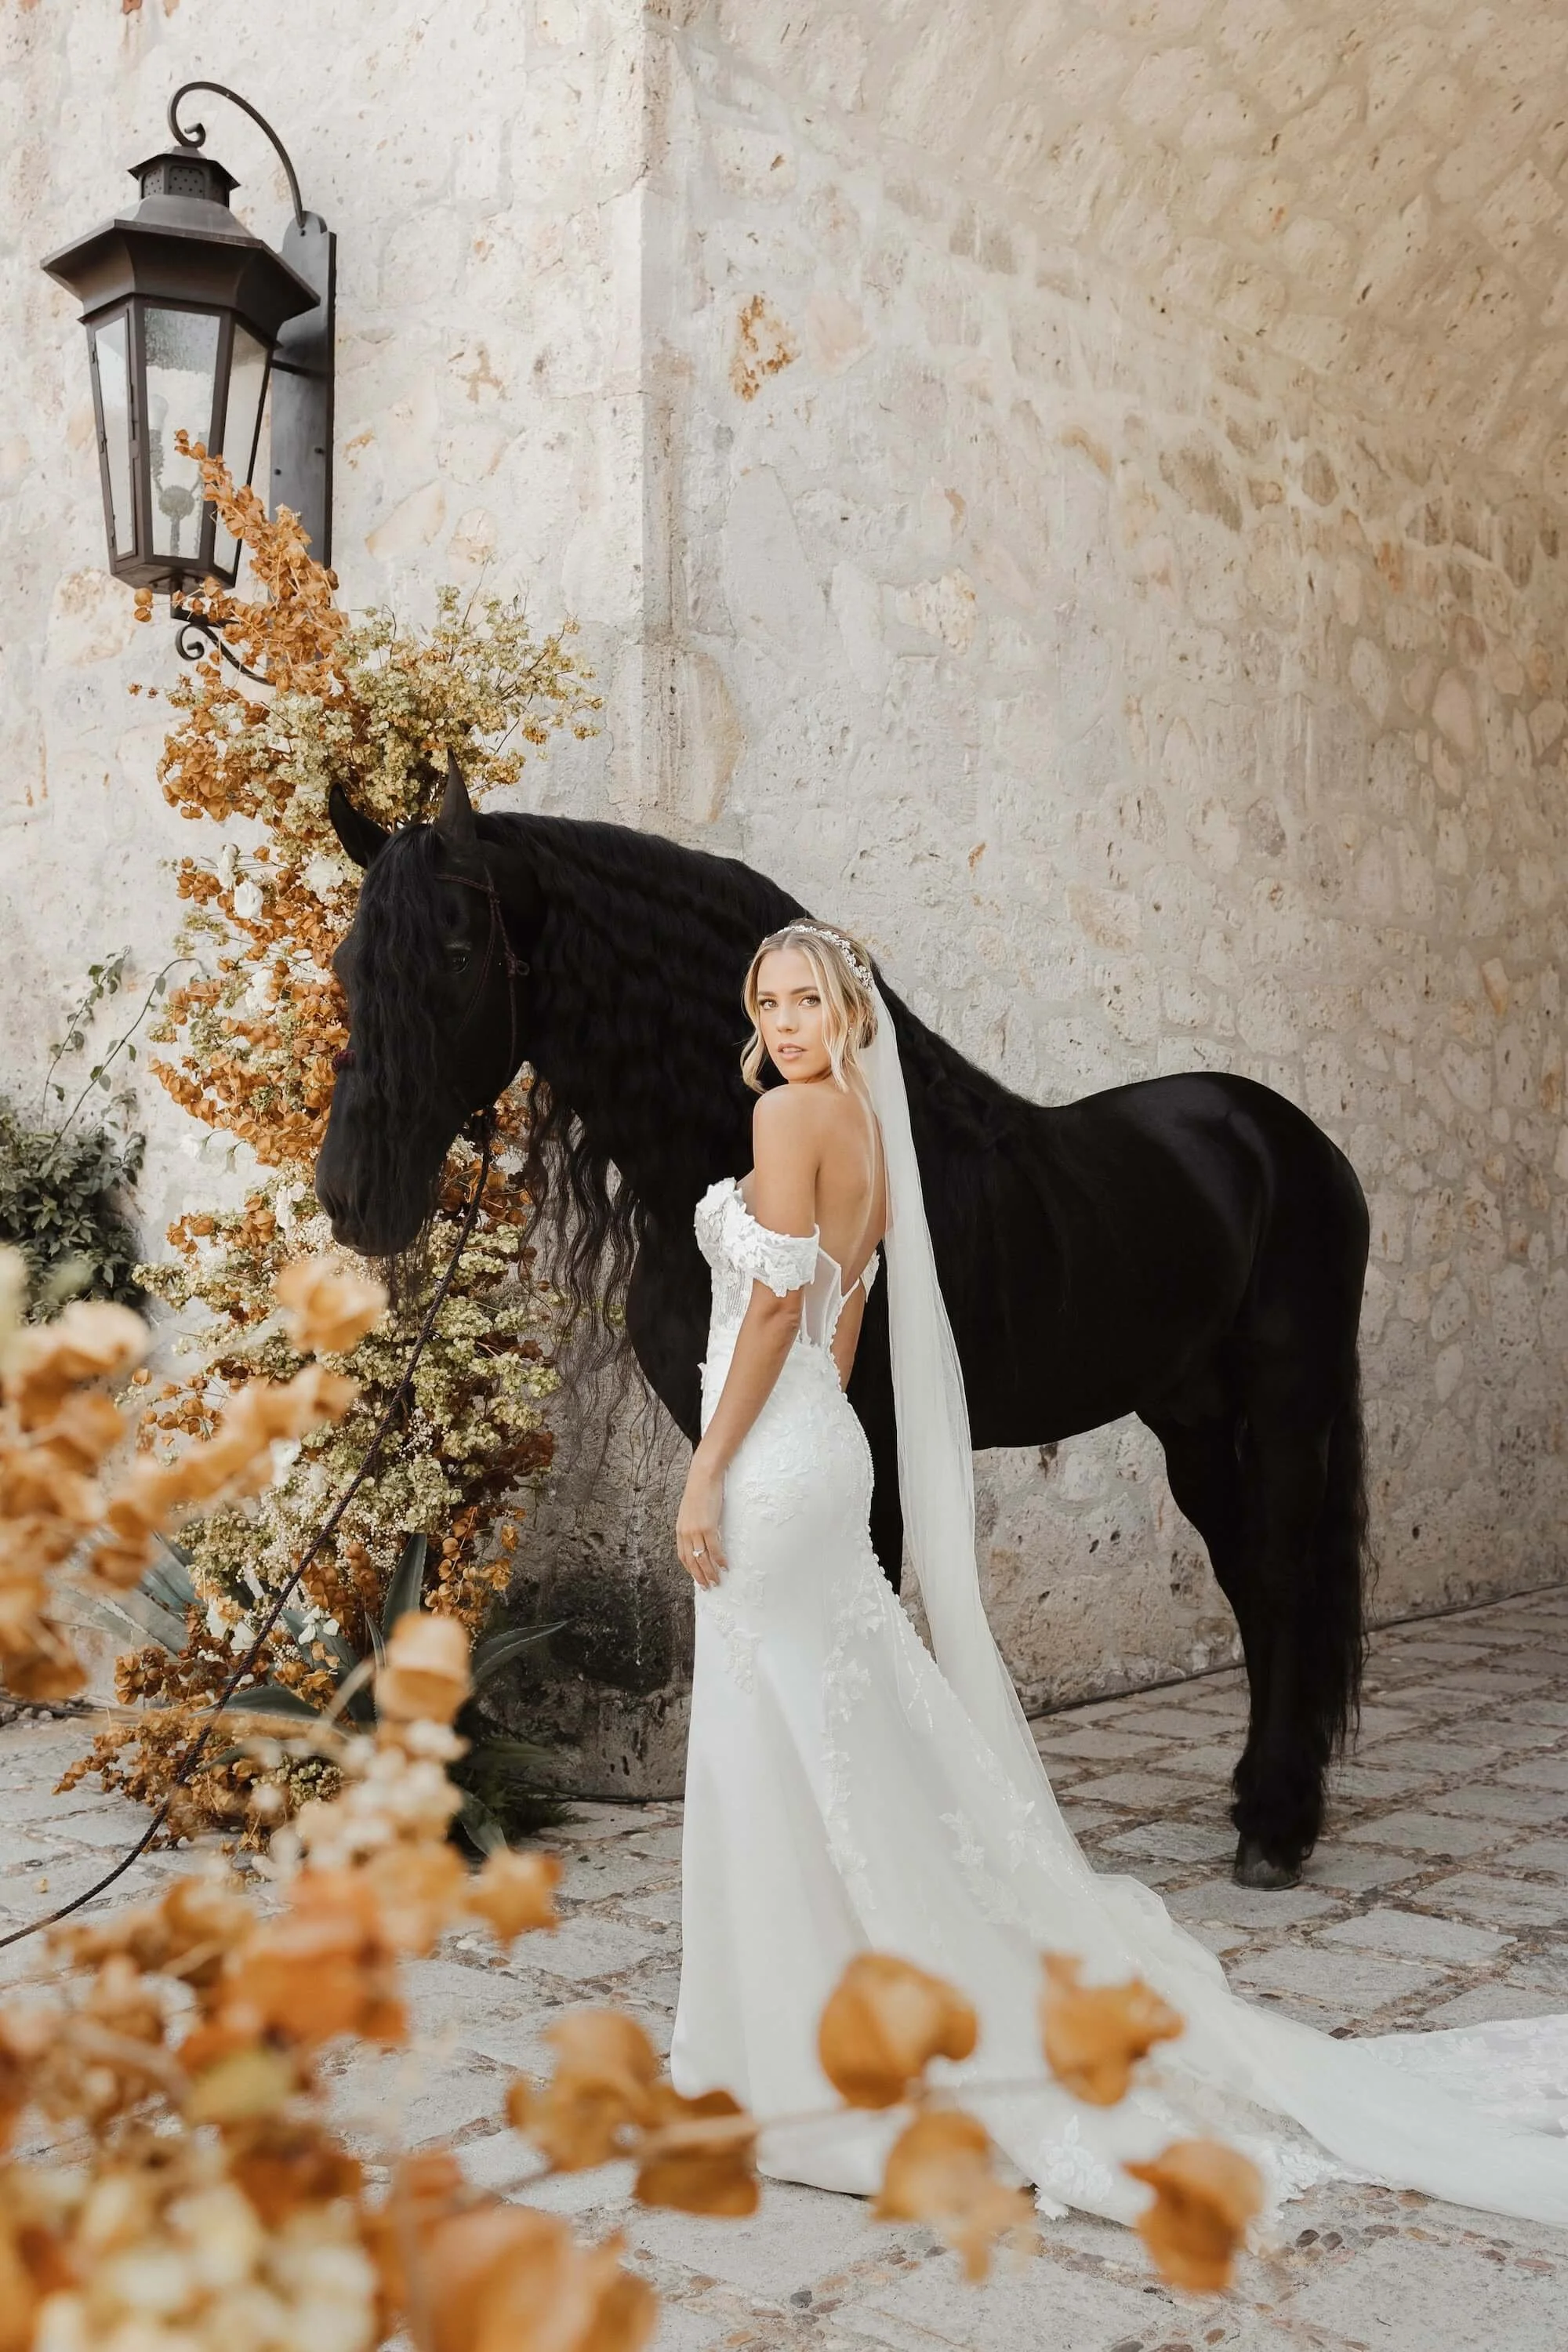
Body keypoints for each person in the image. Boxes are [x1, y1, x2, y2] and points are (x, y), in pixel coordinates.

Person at [666, 921, 1568, 2230]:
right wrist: (809, 1419)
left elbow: (768, 1311)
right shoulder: (871, 1126)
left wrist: (708, 1470)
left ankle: (785, 2047)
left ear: (849, 1012)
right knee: (829, 1724)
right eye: (769, 1002)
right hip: (822, 1443)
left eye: (807, 999)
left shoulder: (789, 1117)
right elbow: (841, 1316)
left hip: (767, 1455)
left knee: (775, 1733)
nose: (787, 1023)